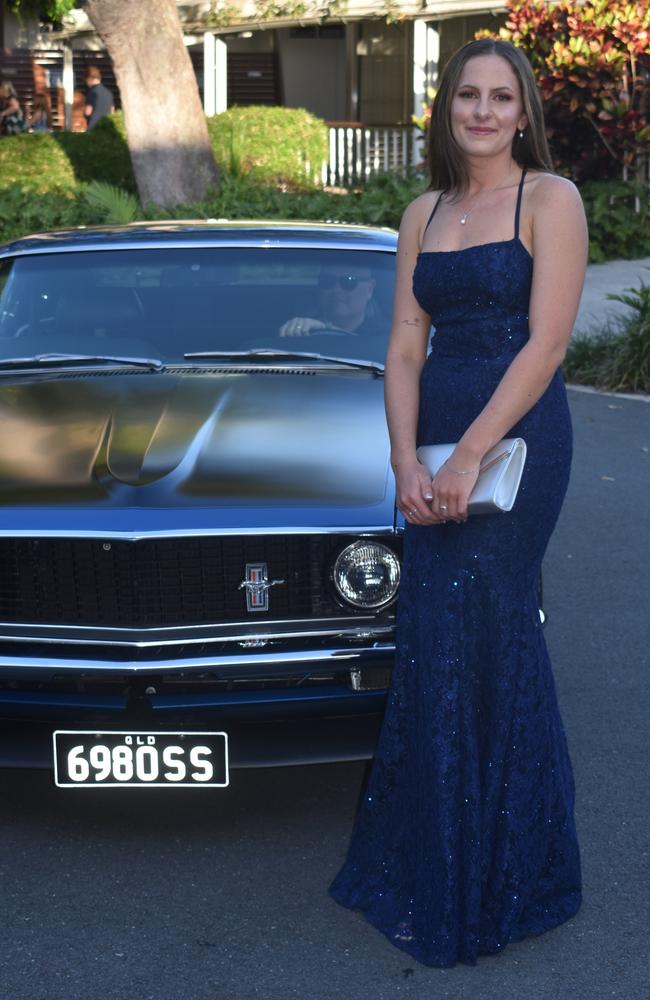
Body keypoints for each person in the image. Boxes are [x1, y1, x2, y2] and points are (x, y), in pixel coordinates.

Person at [328, 38, 587, 968]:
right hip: (431, 444)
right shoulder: (423, 211)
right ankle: (440, 850)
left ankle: (515, 868)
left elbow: (547, 345)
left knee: (491, 623)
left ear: (524, 114)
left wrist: (471, 456)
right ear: (447, 109)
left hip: (515, 444)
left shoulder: (548, 200)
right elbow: (403, 346)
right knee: (434, 634)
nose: (482, 110)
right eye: (467, 95)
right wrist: (404, 460)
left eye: (500, 97)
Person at [278, 264, 377, 338]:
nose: (336, 289)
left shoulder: (386, 336)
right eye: (328, 281)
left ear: (370, 289)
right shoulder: (299, 332)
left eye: (348, 281)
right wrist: (293, 331)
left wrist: (326, 329)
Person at [83, 66, 114, 131]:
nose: (86, 83)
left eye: (86, 80)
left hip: (94, 127)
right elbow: (112, 111)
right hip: (107, 127)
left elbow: (88, 112)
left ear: (89, 78)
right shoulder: (109, 93)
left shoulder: (92, 92)